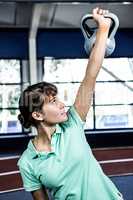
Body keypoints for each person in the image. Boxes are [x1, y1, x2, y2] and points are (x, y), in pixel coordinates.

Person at [17, 7, 124, 200]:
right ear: (37, 115)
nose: (61, 104)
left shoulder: (73, 124)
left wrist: (103, 29)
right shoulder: (27, 162)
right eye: (52, 101)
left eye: (58, 98)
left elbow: (91, 74)